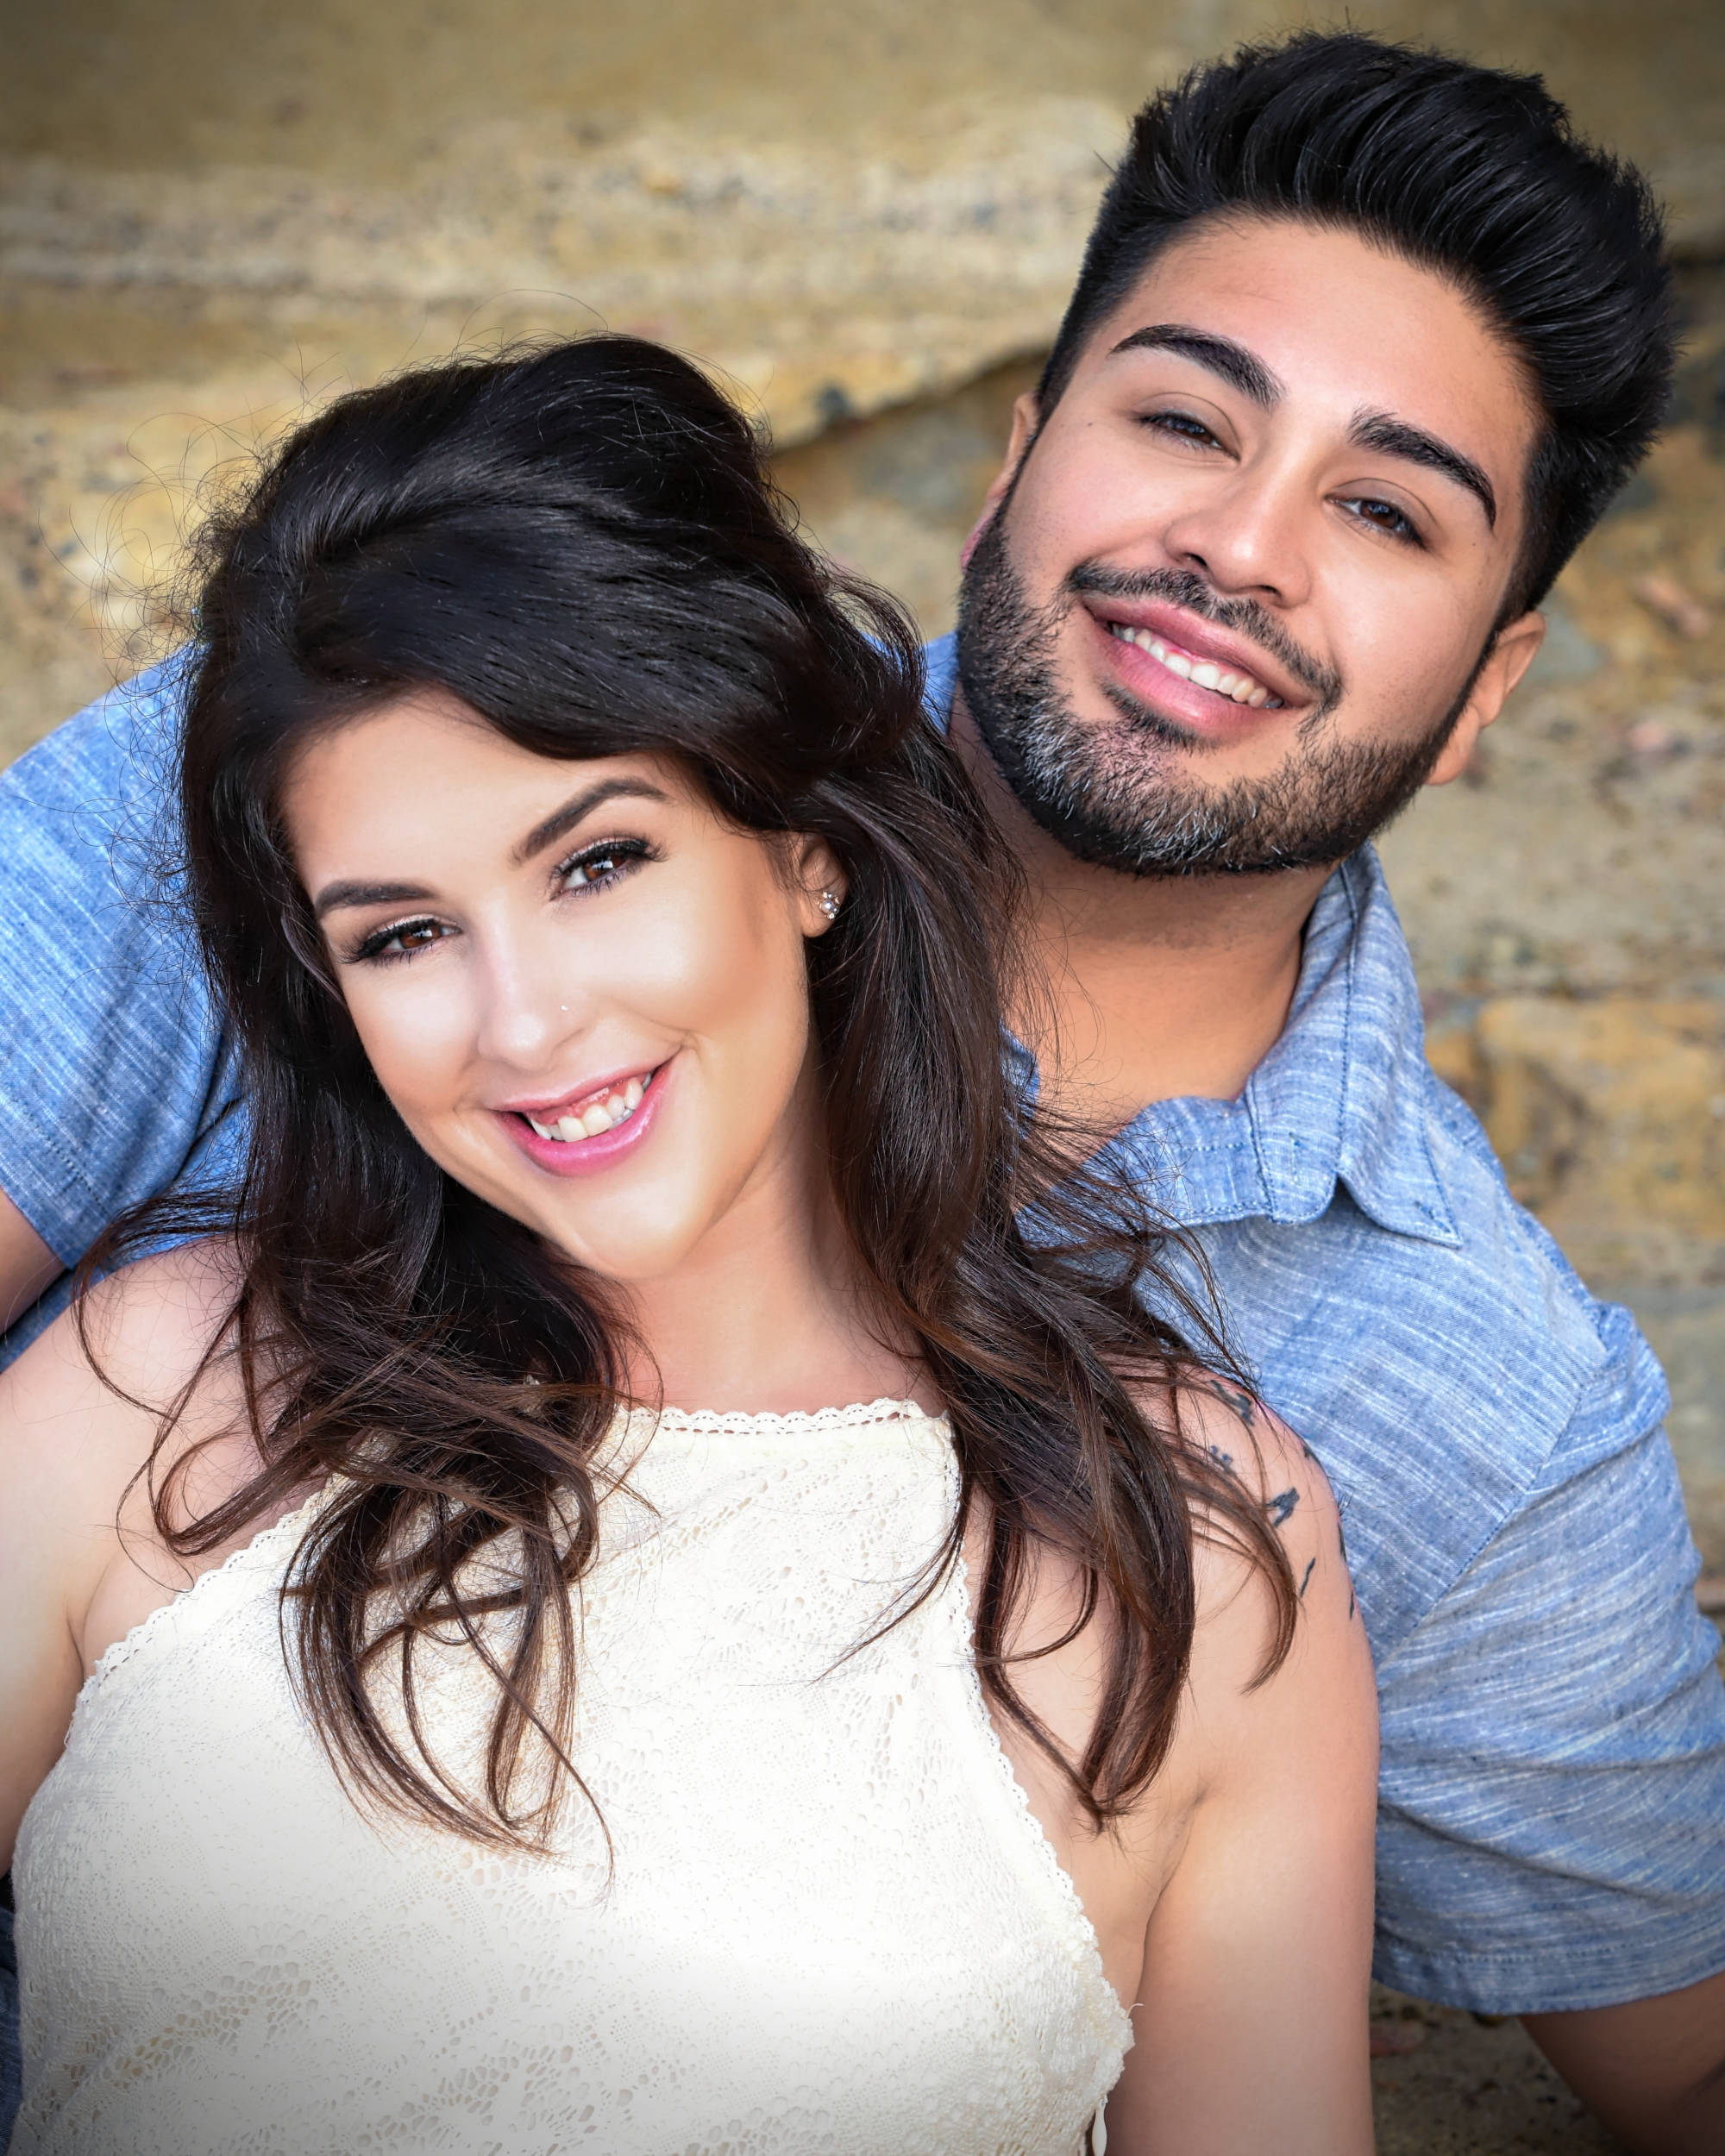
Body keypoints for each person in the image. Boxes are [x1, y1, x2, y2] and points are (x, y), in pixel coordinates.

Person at [0, 24, 1720, 2152]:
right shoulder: (380, 729)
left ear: (1491, 683)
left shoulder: (1451, 1406)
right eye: (1183, 417)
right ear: (1014, 456)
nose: (1241, 549)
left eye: (1381, 508)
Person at [0, 337, 1377, 2153]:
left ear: (802, 846)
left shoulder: (1188, 1547)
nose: (526, 1021)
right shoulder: (149, 1392)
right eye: (404, 933)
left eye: (595, 863)